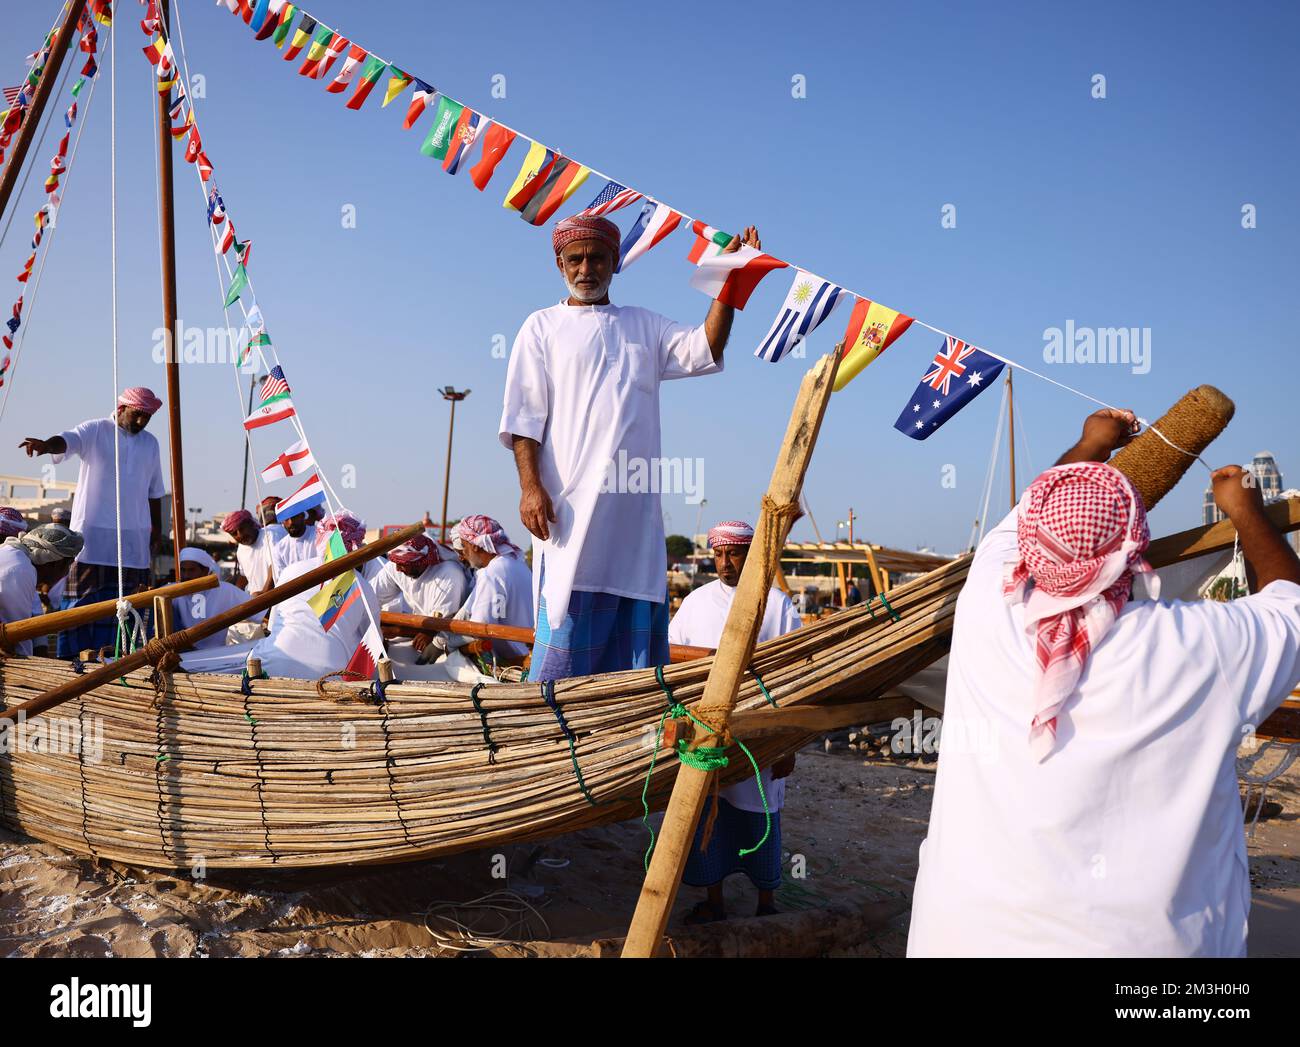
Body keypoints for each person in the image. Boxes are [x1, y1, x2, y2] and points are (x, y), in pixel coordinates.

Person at [907, 409, 1300, 958]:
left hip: (962, 938)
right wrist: (1246, 513)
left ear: (1032, 541)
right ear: (1132, 549)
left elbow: (1023, 517)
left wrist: (1092, 442)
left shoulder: (986, 605)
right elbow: (1290, 603)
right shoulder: (1199, 645)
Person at [500, 214, 759, 681]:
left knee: (635, 665)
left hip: (635, 523)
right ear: (559, 264)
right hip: (570, 517)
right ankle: (553, 743)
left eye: (597, 258)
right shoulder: (540, 327)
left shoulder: (644, 324)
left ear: (615, 262)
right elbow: (523, 419)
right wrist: (529, 487)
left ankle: (625, 741)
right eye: (575, 259)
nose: (586, 269)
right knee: (562, 649)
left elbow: (706, 346)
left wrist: (731, 278)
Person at [668, 520, 802, 922]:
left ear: (749, 555)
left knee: (760, 810)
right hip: (711, 735)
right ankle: (716, 901)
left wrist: (788, 745)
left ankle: (766, 904)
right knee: (712, 813)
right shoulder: (696, 602)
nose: (725, 563)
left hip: (759, 733)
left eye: (734, 554)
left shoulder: (776, 604)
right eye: (719, 555)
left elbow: (794, 677)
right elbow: (673, 655)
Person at [19, 387, 166, 657]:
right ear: (121, 409)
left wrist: (158, 529)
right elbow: (67, 440)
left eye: (147, 417)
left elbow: (155, 492)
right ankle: (71, 662)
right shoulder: (96, 429)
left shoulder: (151, 443)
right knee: (79, 607)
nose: (141, 422)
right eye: (137, 415)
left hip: (134, 543)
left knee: (131, 608)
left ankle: (125, 661)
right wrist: (45, 445)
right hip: (92, 540)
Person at [181, 513, 381, 680]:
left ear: (320, 539)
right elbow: (373, 645)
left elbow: (274, 625)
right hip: (332, 676)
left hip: (273, 666)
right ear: (357, 545)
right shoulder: (364, 587)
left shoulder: (292, 571)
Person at [439, 514, 534, 665]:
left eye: (464, 546)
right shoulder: (516, 563)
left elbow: (478, 628)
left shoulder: (491, 573)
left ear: (474, 545)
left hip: (515, 662)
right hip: (528, 653)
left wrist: (448, 644)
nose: (464, 553)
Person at [0, 524, 84, 656]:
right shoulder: (21, 570)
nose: (67, 572)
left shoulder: (18, 558)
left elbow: (34, 616)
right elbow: (16, 632)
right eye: (68, 565)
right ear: (56, 563)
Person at [372, 533, 469, 624]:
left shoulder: (450, 574)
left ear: (420, 561)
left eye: (403, 564)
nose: (398, 569)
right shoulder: (396, 566)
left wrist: (399, 631)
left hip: (440, 636)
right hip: (411, 631)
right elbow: (371, 597)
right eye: (396, 563)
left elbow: (438, 627)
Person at [170, 547, 254, 649]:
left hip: (216, 652)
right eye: (183, 570)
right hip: (181, 653)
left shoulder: (226, 590)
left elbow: (258, 609)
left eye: (191, 570)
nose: (186, 575)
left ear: (205, 571)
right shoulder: (171, 591)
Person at [221, 508, 277, 596]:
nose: (240, 535)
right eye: (234, 533)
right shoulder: (241, 549)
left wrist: (265, 592)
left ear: (251, 524)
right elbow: (244, 576)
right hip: (256, 600)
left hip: (274, 597)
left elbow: (275, 566)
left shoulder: (269, 536)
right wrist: (235, 594)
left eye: (242, 529)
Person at [270, 510, 316, 576]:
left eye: (294, 517)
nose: (291, 522)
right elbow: (282, 579)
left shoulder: (319, 533)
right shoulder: (279, 549)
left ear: (302, 515)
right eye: (286, 519)